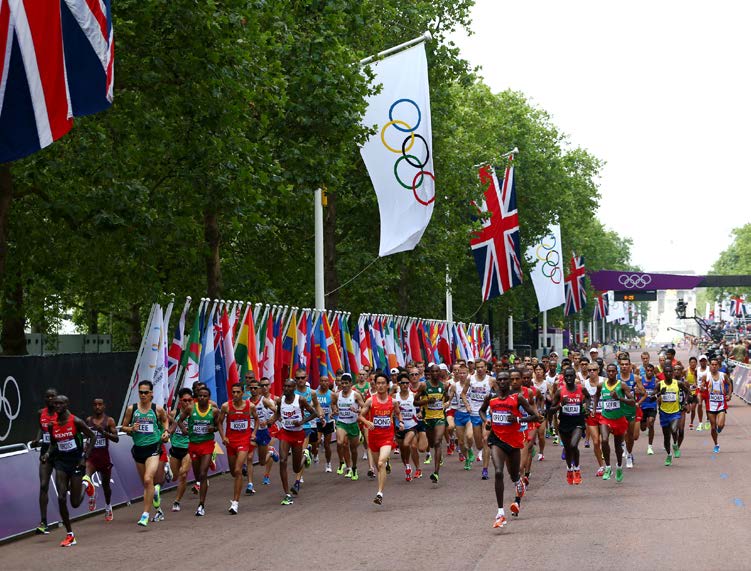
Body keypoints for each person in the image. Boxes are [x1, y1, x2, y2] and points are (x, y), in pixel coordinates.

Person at [479, 372, 539, 527]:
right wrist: (487, 421)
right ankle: (500, 513)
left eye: (506, 379)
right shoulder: (491, 397)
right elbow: (481, 410)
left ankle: (519, 483)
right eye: (501, 379)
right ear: (497, 382)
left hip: (514, 441)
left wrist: (519, 419)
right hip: (496, 440)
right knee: (498, 472)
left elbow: (535, 416)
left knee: (514, 474)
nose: (504, 381)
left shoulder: (517, 398)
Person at [43, 395, 96, 547]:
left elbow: (92, 437)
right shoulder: (53, 425)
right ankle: (70, 534)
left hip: (76, 464)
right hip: (61, 463)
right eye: (55, 404)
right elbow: (53, 444)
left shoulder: (76, 421)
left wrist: (84, 457)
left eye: (60, 403)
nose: (57, 406)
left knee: (75, 503)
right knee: (60, 497)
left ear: (66, 405)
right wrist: (47, 454)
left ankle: (87, 485)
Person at [121, 380, 170, 526]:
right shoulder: (132, 409)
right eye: (140, 392)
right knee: (146, 484)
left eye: (145, 392)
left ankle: (145, 514)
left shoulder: (157, 409)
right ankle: (156, 505)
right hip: (138, 450)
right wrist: (131, 429)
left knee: (149, 479)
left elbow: (165, 421)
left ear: (151, 394)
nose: (143, 395)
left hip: (153, 448)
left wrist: (166, 432)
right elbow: (123, 427)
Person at [267, 378, 319, 505]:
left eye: (289, 387)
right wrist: (272, 420)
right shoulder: (280, 400)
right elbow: (278, 414)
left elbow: (314, 413)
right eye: (285, 386)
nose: (286, 388)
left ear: (294, 388)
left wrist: (301, 422)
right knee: (283, 461)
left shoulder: (300, 400)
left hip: (298, 434)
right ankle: (286, 493)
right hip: (285, 433)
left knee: (296, 468)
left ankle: (306, 455)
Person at [172, 386, 222, 516]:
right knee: (197, 475)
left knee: (203, 473)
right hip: (194, 445)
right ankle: (199, 483)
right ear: (197, 397)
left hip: (207, 444)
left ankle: (201, 505)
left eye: (205, 396)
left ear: (209, 398)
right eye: (200, 396)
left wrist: (214, 428)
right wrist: (183, 429)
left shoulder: (214, 411)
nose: (202, 398)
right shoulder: (191, 408)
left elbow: (218, 424)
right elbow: (180, 420)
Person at [358, 373, 402, 504]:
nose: (381, 385)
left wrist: (401, 422)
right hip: (374, 438)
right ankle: (384, 467)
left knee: (381, 463)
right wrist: (367, 422)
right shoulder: (370, 400)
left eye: (383, 383)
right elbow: (360, 416)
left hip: (387, 437)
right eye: (378, 383)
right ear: (375, 384)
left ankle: (379, 493)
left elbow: (399, 414)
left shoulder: (393, 402)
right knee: (379, 466)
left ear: (387, 385)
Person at [218, 382, 259, 514]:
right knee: (233, 472)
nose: (235, 394)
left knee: (237, 469)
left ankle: (235, 503)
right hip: (231, 442)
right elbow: (219, 422)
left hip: (244, 441)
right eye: (233, 392)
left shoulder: (250, 406)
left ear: (242, 393)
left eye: (238, 392)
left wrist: (253, 433)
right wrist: (223, 436)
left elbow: (257, 420)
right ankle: (241, 472)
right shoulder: (226, 406)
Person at [594, 364, 635, 483]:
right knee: (604, 440)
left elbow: (632, 402)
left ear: (616, 372)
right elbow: (596, 396)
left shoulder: (621, 385)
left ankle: (619, 467)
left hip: (619, 419)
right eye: (609, 371)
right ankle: (607, 467)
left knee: (618, 447)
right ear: (606, 372)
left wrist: (619, 398)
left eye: (613, 371)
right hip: (605, 418)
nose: (611, 373)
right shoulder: (601, 385)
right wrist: (593, 410)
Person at [413, 364, 454, 483]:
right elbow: (415, 402)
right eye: (433, 372)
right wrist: (426, 401)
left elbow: (445, 398)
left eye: (437, 371)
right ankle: (437, 455)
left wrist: (446, 400)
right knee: (431, 444)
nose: (435, 374)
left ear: (440, 373)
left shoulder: (444, 385)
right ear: (430, 373)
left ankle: (436, 473)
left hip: (440, 417)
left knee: (437, 442)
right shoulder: (424, 385)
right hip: (428, 419)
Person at [550, 367, 588, 485]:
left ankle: (577, 469)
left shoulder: (581, 389)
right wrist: (561, 404)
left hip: (578, 422)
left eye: (571, 376)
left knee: (573, 445)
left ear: (575, 377)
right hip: (565, 423)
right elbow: (551, 410)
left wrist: (587, 406)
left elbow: (589, 398)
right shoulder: (560, 391)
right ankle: (569, 469)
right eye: (567, 376)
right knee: (567, 449)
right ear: (564, 378)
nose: (569, 378)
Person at [85, 398, 119, 519]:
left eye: (100, 404)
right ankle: (92, 494)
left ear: (104, 406)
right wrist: (86, 449)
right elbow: (87, 438)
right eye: (95, 405)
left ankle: (108, 506)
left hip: (104, 458)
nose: (97, 407)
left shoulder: (109, 421)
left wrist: (104, 432)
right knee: (86, 478)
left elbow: (116, 438)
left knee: (106, 487)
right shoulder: (89, 420)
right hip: (92, 458)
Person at [31, 388, 58, 535]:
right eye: (47, 396)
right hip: (45, 454)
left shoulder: (62, 414)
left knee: (62, 490)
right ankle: (43, 522)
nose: (50, 399)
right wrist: (37, 439)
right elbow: (40, 428)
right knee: (43, 486)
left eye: (52, 396)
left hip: (60, 454)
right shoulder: (40, 413)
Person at [293, 369, 323, 489]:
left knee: (300, 453)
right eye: (298, 378)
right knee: (295, 455)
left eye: (302, 378)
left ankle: (297, 481)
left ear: (306, 378)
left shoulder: (312, 392)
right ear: (295, 379)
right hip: (293, 427)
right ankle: (308, 452)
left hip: (307, 426)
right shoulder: (291, 391)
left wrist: (320, 415)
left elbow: (317, 405)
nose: (300, 380)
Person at [656, 364, 690, 465]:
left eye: (671, 371)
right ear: (664, 373)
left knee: (674, 429)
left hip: (675, 412)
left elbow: (688, 392)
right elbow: (653, 395)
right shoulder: (660, 384)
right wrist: (659, 394)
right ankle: (669, 454)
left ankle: (675, 444)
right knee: (666, 437)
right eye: (666, 372)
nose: (669, 373)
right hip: (663, 413)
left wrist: (685, 403)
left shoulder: (678, 383)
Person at [335, 373, 366, 480]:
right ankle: (344, 464)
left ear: (350, 384)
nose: (344, 385)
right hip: (341, 422)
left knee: (353, 449)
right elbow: (333, 404)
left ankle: (354, 467)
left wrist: (357, 410)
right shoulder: (337, 394)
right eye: (342, 383)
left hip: (353, 424)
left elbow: (365, 408)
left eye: (346, 383)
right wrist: (334, 410)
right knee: (341, 443)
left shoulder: (356, 395)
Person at [464, 359, 492, 478]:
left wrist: (494, 406)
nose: (480, 369)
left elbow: (500, 393)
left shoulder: (491, 380)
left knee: (485, 440)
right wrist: (467, 405)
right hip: (474, 413)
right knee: (479, 444)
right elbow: (463, 393)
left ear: (486, 367)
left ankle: (485, 470)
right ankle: (478, 451)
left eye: (482, 367)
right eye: (478, 367)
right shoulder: (470, 379)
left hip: (486, 414)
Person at [250, 377, 279, 487]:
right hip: (256, 429)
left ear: (270, 386)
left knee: (268, 448)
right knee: (259, 455)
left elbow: (279, 413)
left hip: (271, 428)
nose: (264, 387)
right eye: (262, 385)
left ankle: (267, 475)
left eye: (266, 385)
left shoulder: (275, 399)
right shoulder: (252, 401)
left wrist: (270, 421)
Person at [168, 388, 193, 512]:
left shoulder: (195, 413)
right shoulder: (174, 413)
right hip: (175, 448)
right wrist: (166, 434)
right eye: (185, 400)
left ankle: (177, 501)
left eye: (190, 400)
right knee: (174, 476)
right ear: (180, 401)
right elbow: (168, 428)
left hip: (188, 448)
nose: (187, 403)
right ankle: (167, 468)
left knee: (183, 474)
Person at [618, 356, 643, 469]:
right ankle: (628, 455)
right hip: (619, 410)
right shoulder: (616, 378)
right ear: (619, 366)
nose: (624, 366)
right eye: (622, 365)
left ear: (630, 366)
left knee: (633, 436)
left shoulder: (635, 378)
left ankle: (629, 451)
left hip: (632, 409)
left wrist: (638, 393)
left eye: (626, 364)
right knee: (623, 434)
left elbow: (644, 392)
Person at [704, 357, 733, 453]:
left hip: (721, 404)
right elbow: (702, 387)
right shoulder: (706, 376)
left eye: (716, 364)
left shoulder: (723, 375)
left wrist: (729, 394)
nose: (714, 366)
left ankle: (718, 430)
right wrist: (702, 389)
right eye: (712, 364)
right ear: (710, 366)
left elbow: (729, 383)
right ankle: (716, 444)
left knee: (720, 425)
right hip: (710, 405)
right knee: (713, 427)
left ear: (719, 366)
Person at [394, 372, 419, 480]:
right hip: (399, 427)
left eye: (406, 383)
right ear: (399, 384)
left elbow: (420, 407)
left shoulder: (413, 395)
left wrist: (420, 413)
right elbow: (391, 412)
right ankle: (407, 467)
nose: (405, 385)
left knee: (409, 445)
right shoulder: (394, 397)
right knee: (403, 449)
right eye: (402, 383)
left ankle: (418, 468)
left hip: (412, 426)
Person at [583, 361, 605, 476]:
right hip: (592, 416)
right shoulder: (584, 384)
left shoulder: (604, 381)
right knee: (596, 442)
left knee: (604, 441)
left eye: (594, 370)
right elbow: (583, 398)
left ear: (598, 371)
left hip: (604, 414)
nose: (592, 372)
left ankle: (608, 462)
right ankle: (601, 466)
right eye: (589, 370)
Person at [452, 364, 474, 469]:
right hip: (459, 414)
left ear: (468, 374)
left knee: (469, 436)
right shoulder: (454, 386)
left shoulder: (472, 384)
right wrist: (446, 403)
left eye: (464, 373)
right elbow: (449, 398)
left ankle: (470, 449)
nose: (462, 375)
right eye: (460, 373)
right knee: (460, 442)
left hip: (469, 414)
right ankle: (467, 460)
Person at [314, 375, 336, 472]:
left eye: (326, 381)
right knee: (316, 442)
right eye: (322, 381)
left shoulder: (332, 394)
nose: (324, 383)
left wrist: (333, 413)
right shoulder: (315, 394)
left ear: (328, 383)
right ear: (319, 382)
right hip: (317, 421)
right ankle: (315, 454)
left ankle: (328, 464)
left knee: (327, 445)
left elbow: (335, 407)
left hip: (328, 422)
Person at [638, 363, 658, 455]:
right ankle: (644, 425)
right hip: (642, 405)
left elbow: (659, 392)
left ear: (653, 371)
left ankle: (650, 446)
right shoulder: (640, 380)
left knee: (651, 422)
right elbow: (636, 390)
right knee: (642, 428)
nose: (649, 372)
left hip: (652, 405)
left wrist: (656, 396)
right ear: (645, 371)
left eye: (651, 371)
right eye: (648, 370)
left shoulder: (656, 381)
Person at [532, 364, 549, 461]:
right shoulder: (531, 383)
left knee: (541, 435)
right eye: (537, 370)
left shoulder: (546, 384)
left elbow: (551, 396)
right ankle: (531, 448)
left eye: (540, 370)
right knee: (532, 435)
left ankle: (541, 452)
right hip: (531, 412)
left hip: (542, 411)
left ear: (543, 372)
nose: (538, 371)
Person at [696, 355, 711, 430]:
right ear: (699, 362)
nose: (703, 362)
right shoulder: (697, 369)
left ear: (706, 361)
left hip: (708, 390)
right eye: (701, 361)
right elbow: (696, 378)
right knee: (699, 404)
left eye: (704, 360)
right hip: (699, 390)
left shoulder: (709, 369)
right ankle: (700, 423)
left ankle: (708, 420)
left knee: (708, 406)